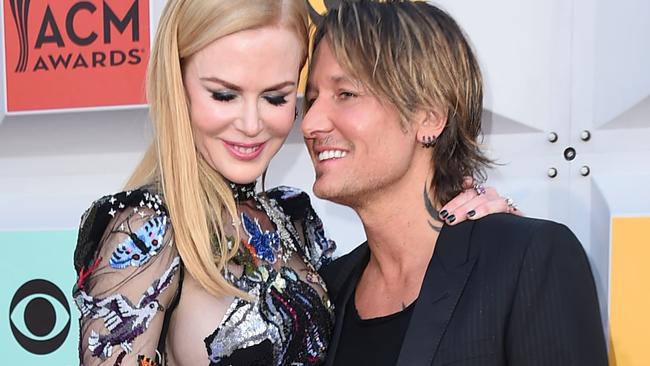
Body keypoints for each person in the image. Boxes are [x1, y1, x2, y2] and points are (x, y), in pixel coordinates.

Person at [71, 1, 511, 365]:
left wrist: (473, 240)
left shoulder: (292, 219)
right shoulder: (145, 229)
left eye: (276, 97)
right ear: (177, 85)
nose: (250, 124)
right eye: (224, 94)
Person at [303, 1, 608, 365]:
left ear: (430, 117)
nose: (310, 124)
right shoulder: (327, 291)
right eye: (311, 100)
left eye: (346, 95)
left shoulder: (528, 261)